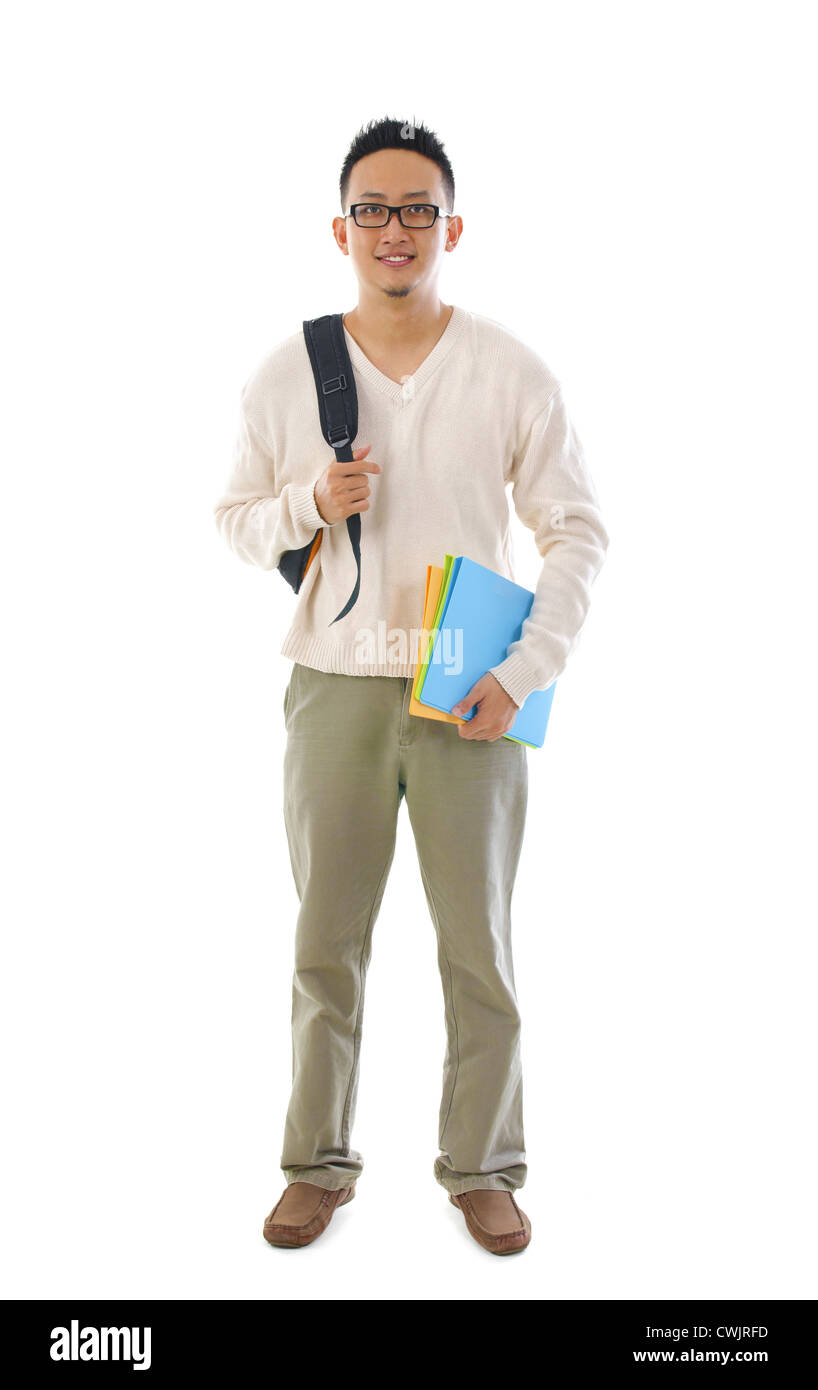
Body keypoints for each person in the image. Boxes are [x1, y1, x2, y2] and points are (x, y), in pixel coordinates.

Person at [213, 115, 609, 1256]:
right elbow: (232, 519)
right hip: (333, 687)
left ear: (453, 226)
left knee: (475, 940)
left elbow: (576, 528)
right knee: (323, 937)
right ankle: (316, 1162)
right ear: (340, 227)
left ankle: (483, 1165)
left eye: (417, 210)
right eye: (375, 210)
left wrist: (525, 665)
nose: (396, 230)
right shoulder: (289, 371)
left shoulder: (507, 368)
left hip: (464, 689)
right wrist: (306, 507)